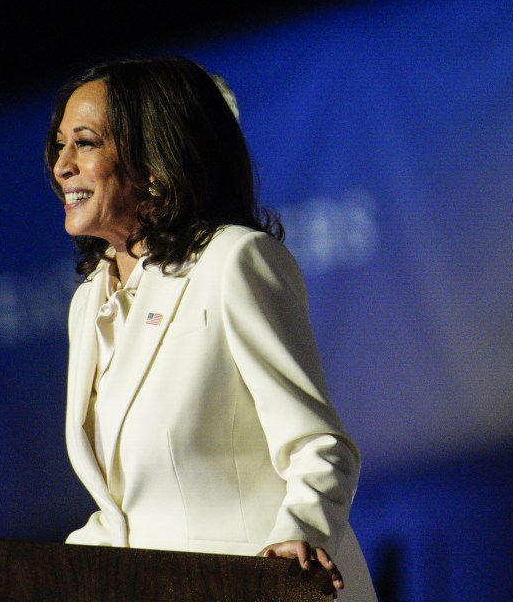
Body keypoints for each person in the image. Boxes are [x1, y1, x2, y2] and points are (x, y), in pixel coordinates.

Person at [45, 55, 375, 600]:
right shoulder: (88, 306)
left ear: (155, 160)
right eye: (60, 145)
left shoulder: (233, 262)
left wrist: (301, 532)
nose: (61, 166)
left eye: (84, 142)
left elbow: (320, 445)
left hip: (259, 583)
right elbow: (124, 512)